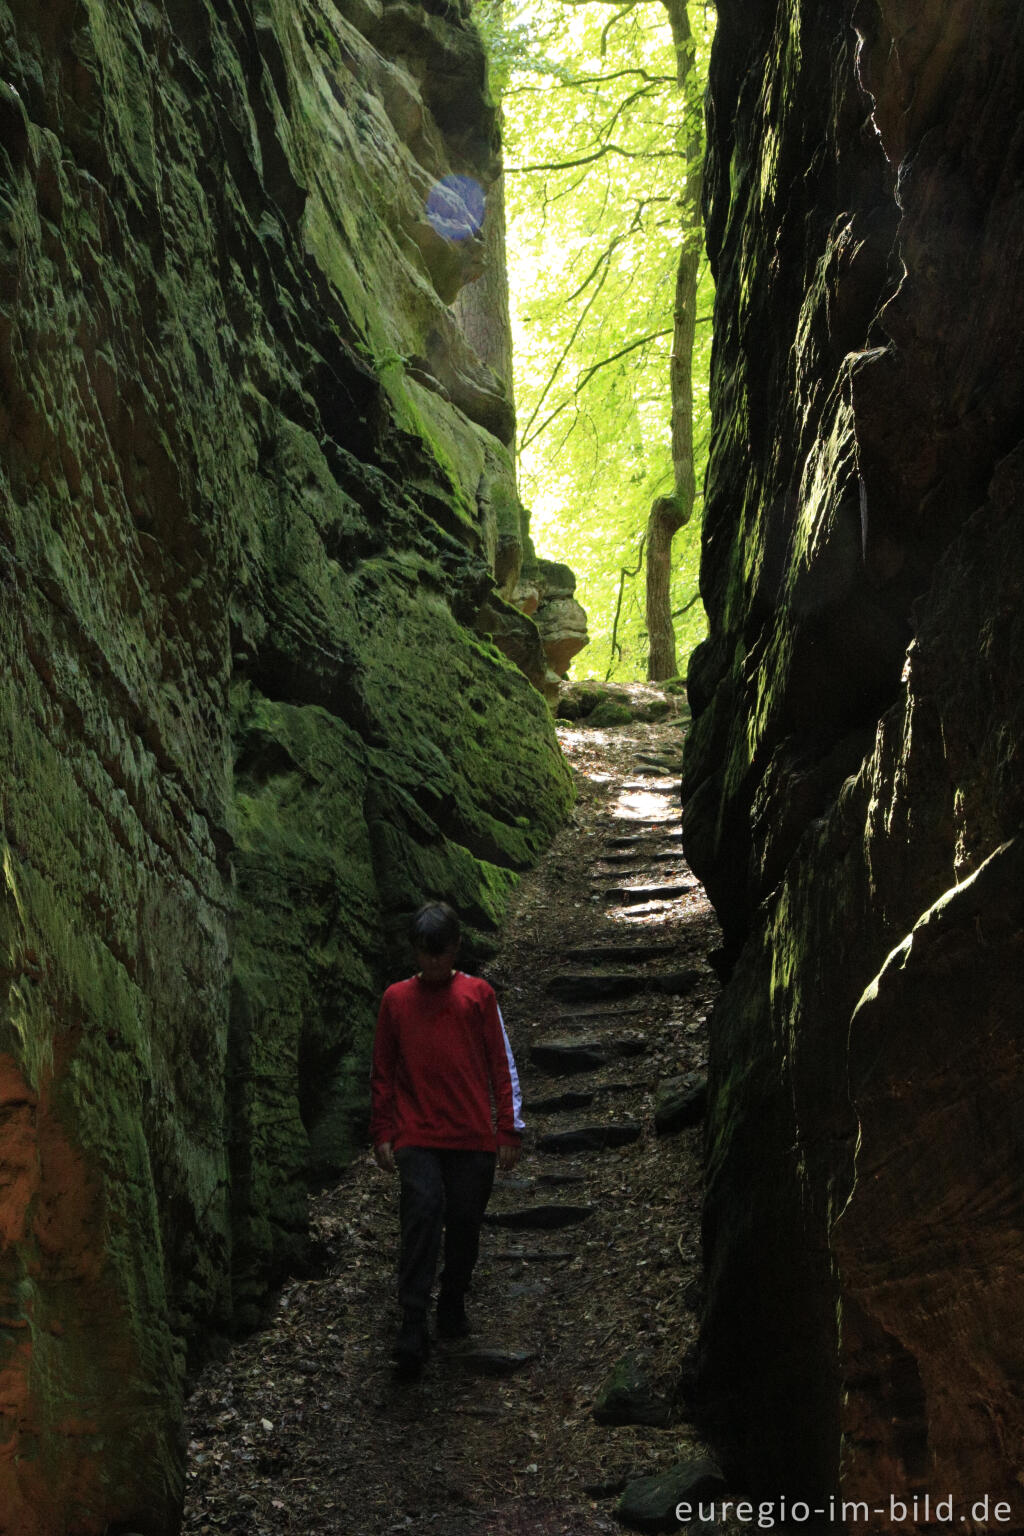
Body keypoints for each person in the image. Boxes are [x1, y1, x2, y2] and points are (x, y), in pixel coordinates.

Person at [369, 901, 524, 1376]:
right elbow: (382, 1071)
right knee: (421, 1211)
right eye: (424, 953)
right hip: (417, 1133)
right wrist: (383, 1131)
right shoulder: (395, 1000)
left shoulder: (479, 996)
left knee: (464, 1223)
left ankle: (453, 1299)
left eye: (440, 953)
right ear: (414, 951)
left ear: (455, 948)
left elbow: (502, 1063)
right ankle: (412, 1321)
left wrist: (508, 1129)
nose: (433, 963)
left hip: (472, 1135)